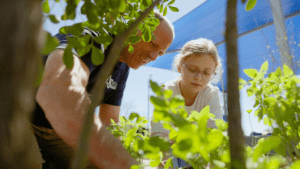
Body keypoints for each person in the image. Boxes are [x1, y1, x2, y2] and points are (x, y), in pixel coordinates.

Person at [31, 11, 174, 169]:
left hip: (56, 134)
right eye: (153, 45)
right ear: (135, 29)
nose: (154, 57)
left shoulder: (123, 67)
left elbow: (109, 122)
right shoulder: (94, 38)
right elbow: (59, 90)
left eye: (160, 53)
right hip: (23, 117)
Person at [151, 38, 223, 168]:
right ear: (180, 66)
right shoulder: (167, 91)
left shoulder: (210, 94)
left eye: (206, 73)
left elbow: (214, 134)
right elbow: (159, 131)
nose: (199, 77)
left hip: (198, 151)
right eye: (192, 69)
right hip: (169, 150)